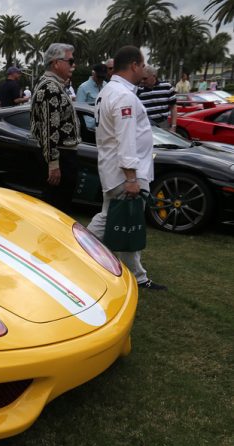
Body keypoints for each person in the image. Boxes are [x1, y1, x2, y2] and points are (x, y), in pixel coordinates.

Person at [87, 45, 167, 291]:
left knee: (125, 221)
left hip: (116, 170)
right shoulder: (123, 96)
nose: (144, 70)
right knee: (112, 220)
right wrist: (132, 178)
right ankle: (75, 250)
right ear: (133, 65)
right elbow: (126, 138)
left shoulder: (109, 91)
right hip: (125, 174)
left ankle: (136, 275)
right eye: (142, 65)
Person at [30, 43, 80, 212]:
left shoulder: (54, 85)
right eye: (70, 61)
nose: (73, 65)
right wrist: (53, 164)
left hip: (62, 155)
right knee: (56, 208)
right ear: (56, 63)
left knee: (58, 205)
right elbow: (49, 128)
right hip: (60, 156)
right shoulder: (50, 87)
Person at [137, 65, 177, 131]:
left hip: (163, 124)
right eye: (142, 78)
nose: (142, 81)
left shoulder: (167, 87)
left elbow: (173, 107)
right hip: (146, 125)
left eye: (145, 78)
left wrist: (173, 126)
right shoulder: (138, 89)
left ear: (154, 76)